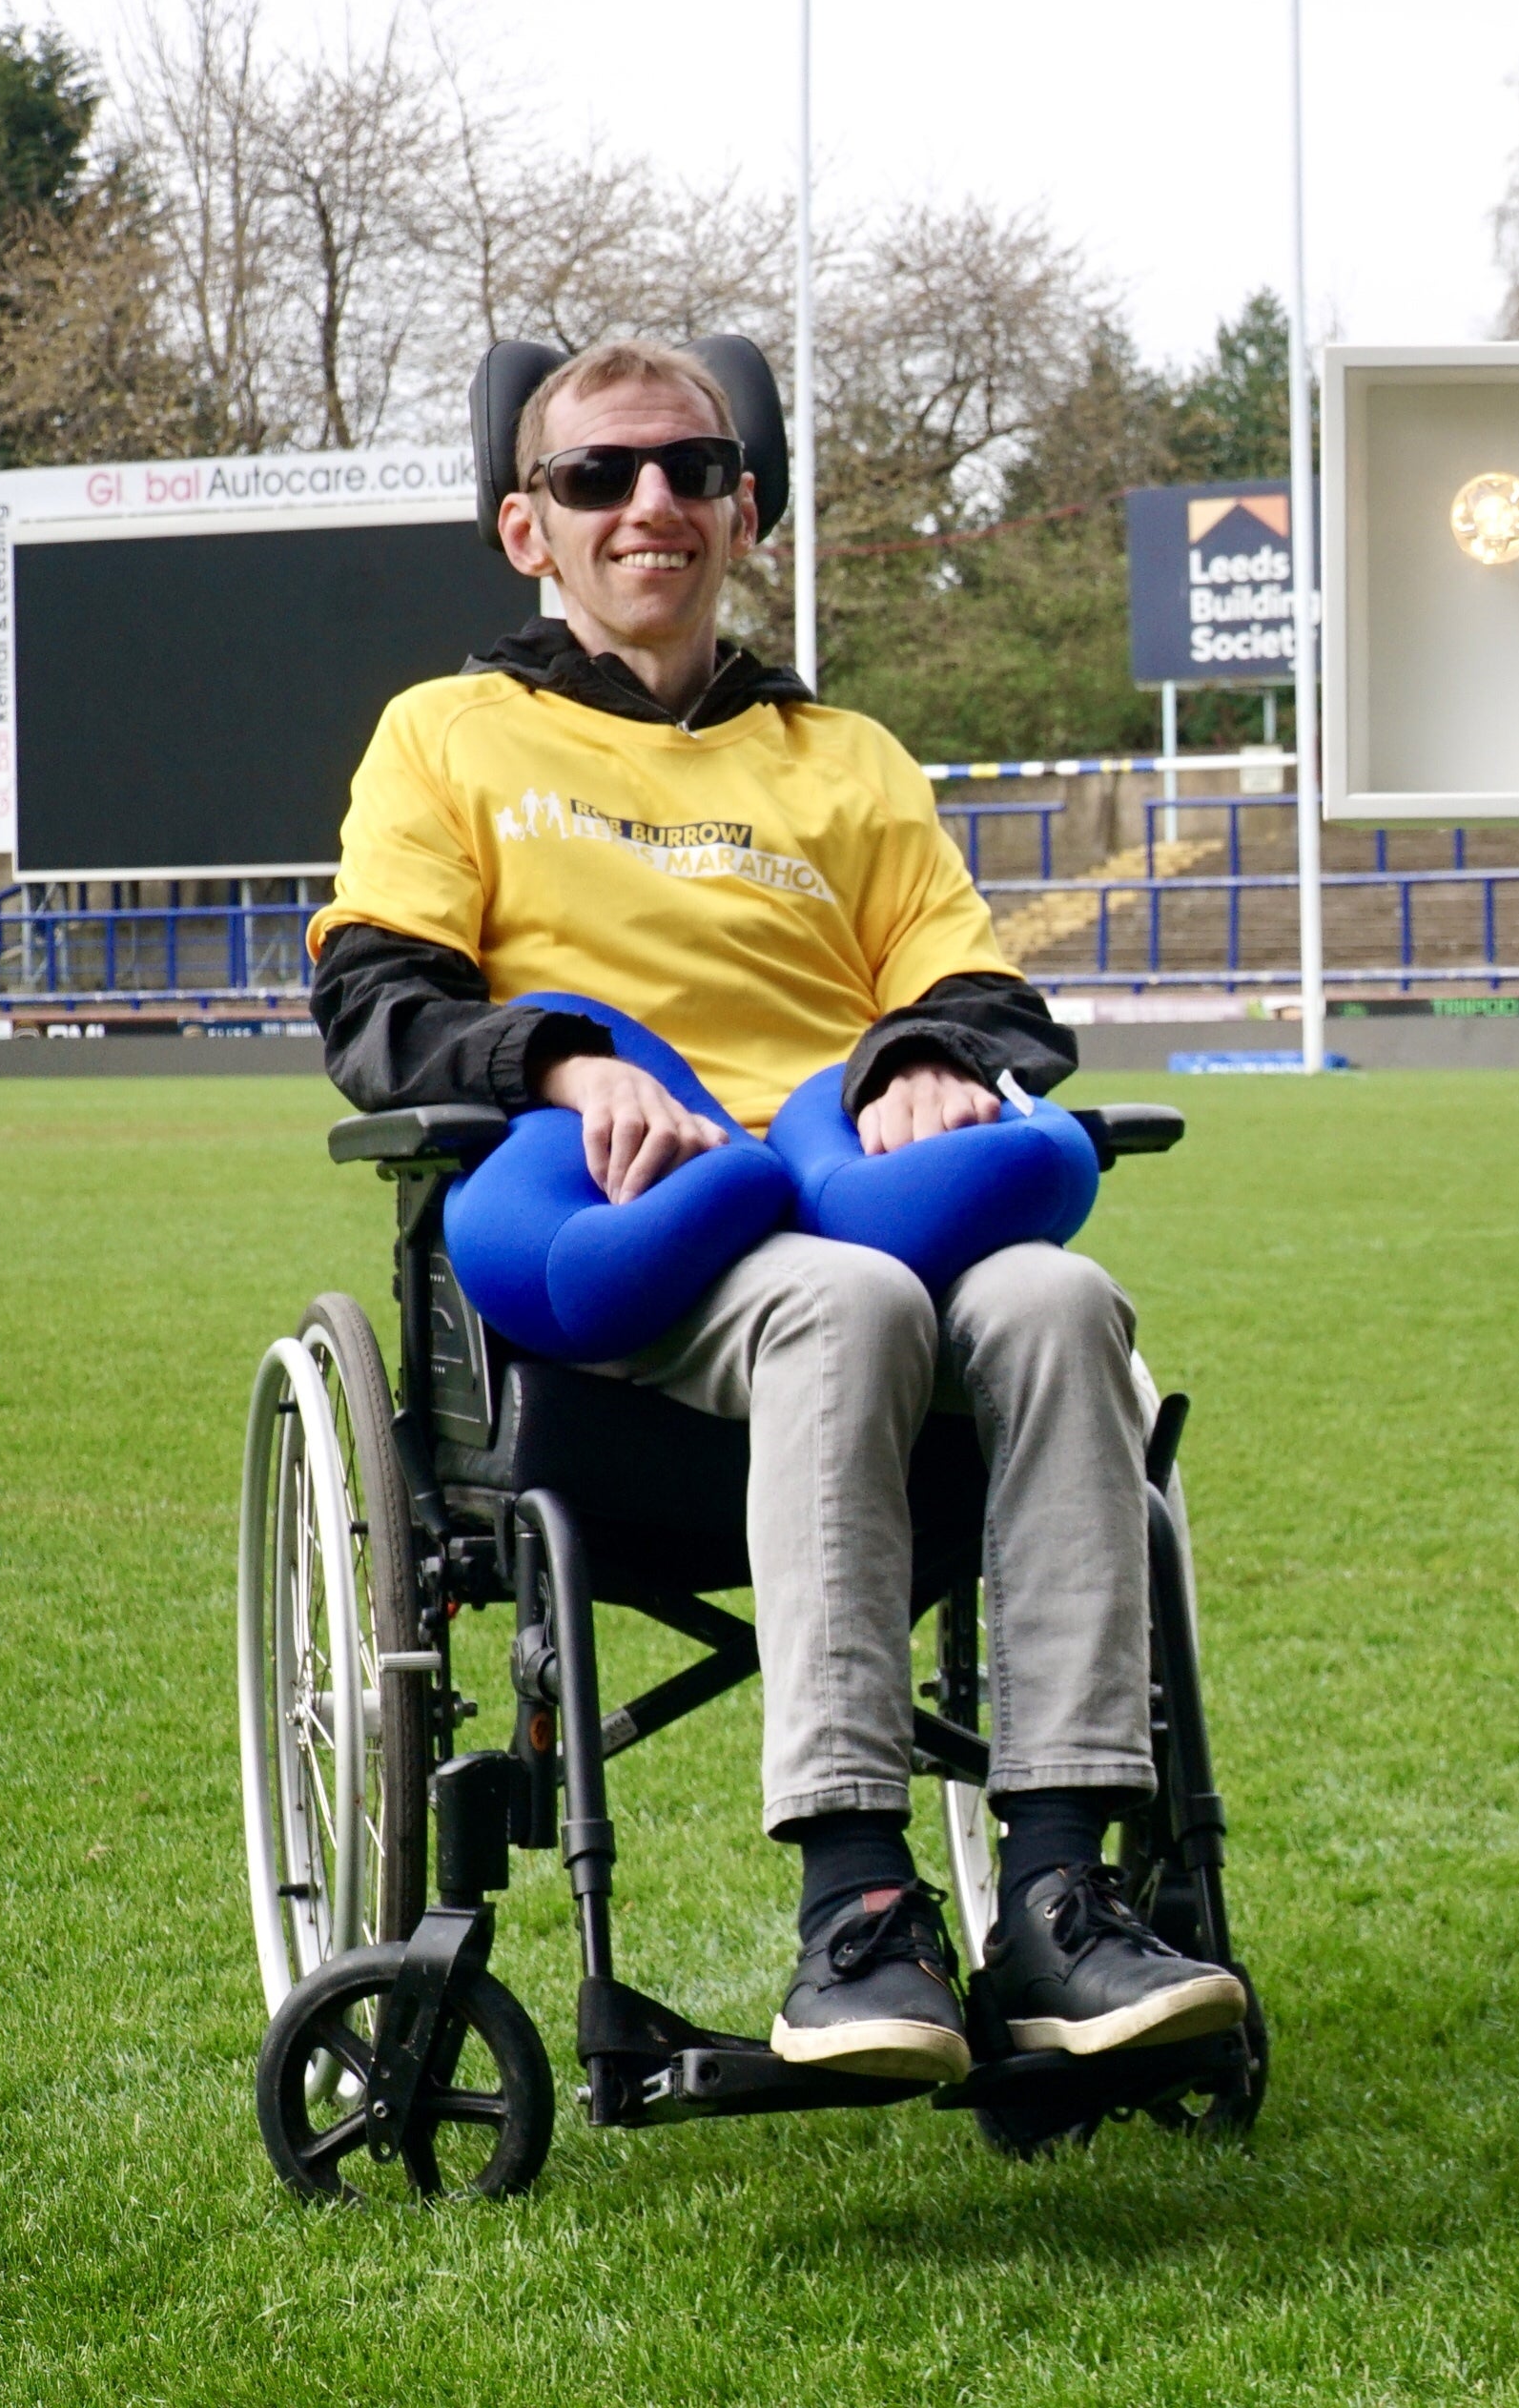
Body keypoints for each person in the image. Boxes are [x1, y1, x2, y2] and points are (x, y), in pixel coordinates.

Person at [308, 337, 1244, 2085]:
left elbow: (980, 991)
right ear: (529, 526)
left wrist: (921, 1059)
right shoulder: (445, 739)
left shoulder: (848, 760)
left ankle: (1059, 1900)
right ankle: (857, 1909)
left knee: (1058, 1301)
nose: (649, 504)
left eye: (688, 469)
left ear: (744, 509)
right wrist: (566, 1064)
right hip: (628, 1269)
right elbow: (379, 1002)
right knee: (844, 1304)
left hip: (859, 1192)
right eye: (599, 478)